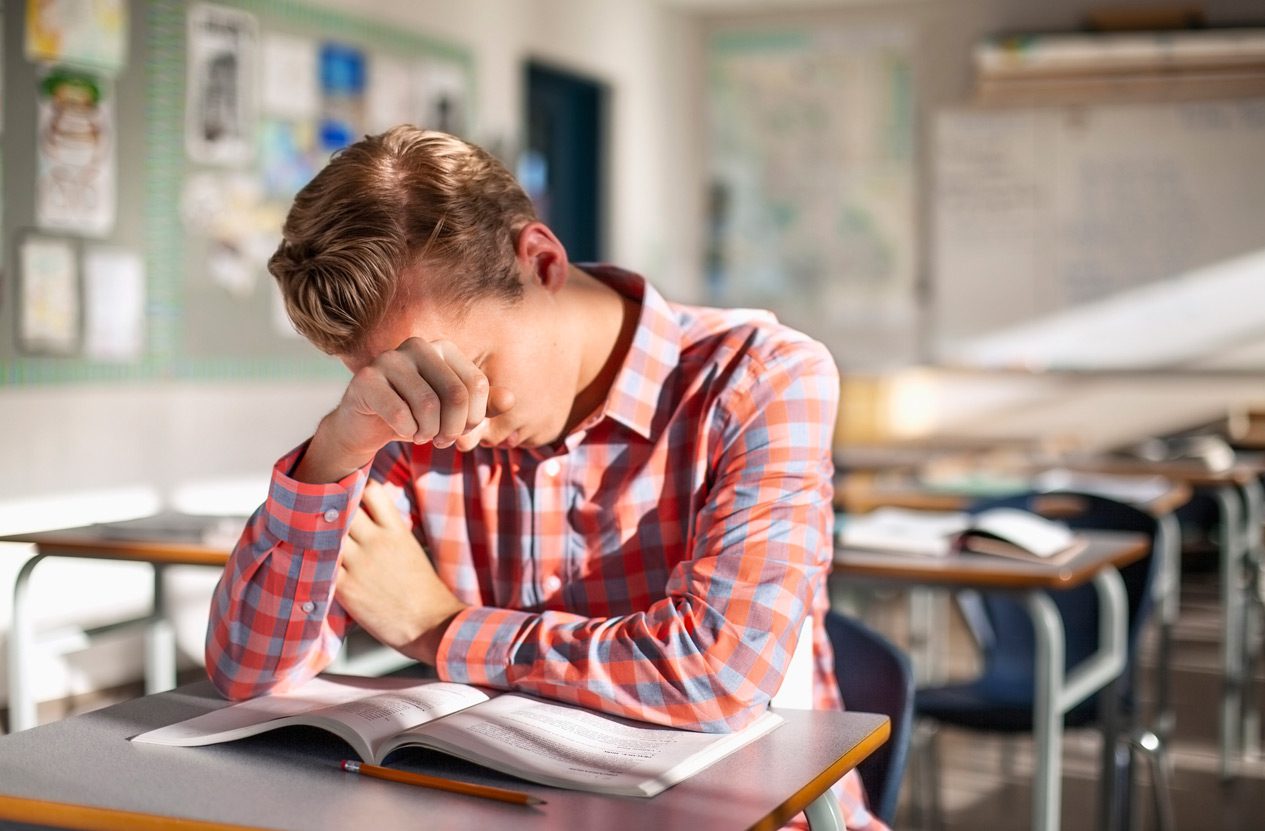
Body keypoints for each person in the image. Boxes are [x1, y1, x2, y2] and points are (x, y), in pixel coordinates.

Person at [205, 126, 886, 830]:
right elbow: (250, 675)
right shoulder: (415, 416)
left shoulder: (763, 376)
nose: (454, 431)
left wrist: (441, 628)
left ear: (541, 261)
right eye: (415, 387)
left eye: (472, 369)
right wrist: (335, 453)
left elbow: (717, 674)